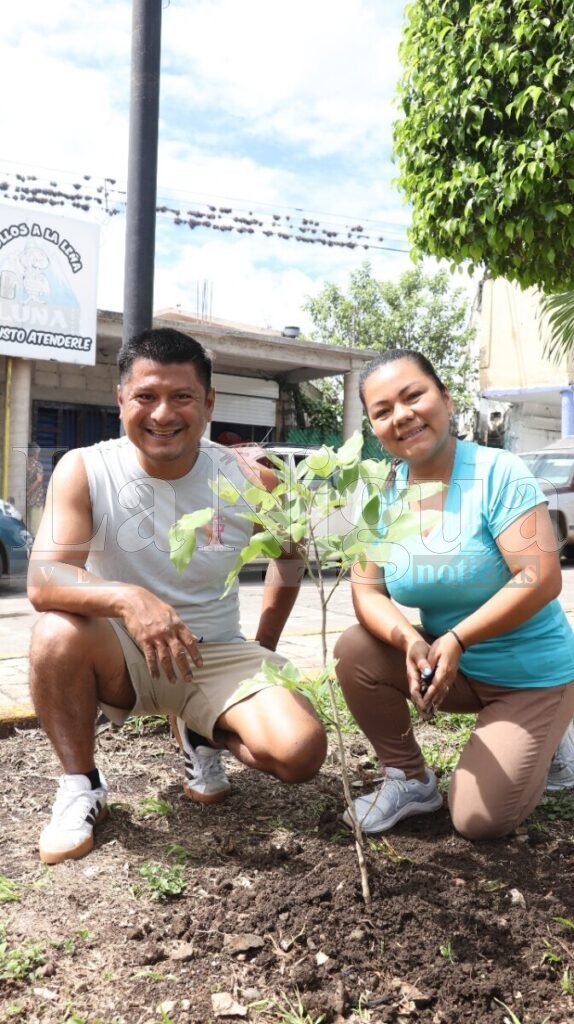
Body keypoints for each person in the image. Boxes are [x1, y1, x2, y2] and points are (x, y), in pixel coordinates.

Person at [28, 327, 327, 865]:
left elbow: (290, 557)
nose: (162, 413)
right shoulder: (85, 468)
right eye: (146, 396)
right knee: (55, 629)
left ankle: (201, 732)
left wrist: (262, 648)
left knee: (300, 753)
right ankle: (81, 787)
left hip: (214, 653)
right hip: (120, 654)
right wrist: (129, 601)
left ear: (208, 403)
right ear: (121, 400)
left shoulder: (248, 479)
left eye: (182, 397)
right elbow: (45, 579)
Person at [334, 349, 574, 841]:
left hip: (532, 675)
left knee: (479, 821)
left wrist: (459, 638)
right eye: (382, 411)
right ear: (374, 428)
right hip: (451, 668)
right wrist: (409, 641)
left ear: (444, 398)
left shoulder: (497, 472)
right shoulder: (384, 497)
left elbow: (542, 576)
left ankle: (557, 732)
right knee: (355, 648)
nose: (401, 416)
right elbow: (367, 591)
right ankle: (411, 781)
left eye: (413, 396)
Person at [26, 441, 44, 537]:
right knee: (36, 528)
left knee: (28, 526)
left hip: (27, 501)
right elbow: (39, 480)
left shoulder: (24, 464)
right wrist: (29, 492)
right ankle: (34, 549)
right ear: (35, 453)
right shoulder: (38, 465)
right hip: (36, 500)